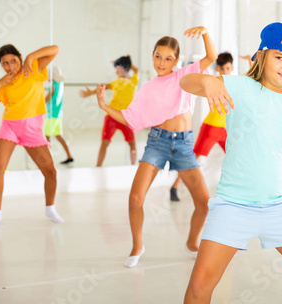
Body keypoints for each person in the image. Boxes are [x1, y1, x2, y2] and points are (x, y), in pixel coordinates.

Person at [181, 22, 282, 304]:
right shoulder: (241, 86)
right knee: (200, 283)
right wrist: (208, 81)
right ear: (262, 56)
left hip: (281, 205)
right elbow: (185, 82)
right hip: (233, 206)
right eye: (280, 57)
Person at [94, 26, 217, 268]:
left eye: (168, 58)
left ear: (176, 61)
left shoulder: (184, 76)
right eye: (158, 56)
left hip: (183, 144)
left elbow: (211, 57)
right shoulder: (148, 88)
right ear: (152, 56)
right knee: (135, 198)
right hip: (158, 142)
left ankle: (192, 242)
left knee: (204, 202)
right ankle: (137, 246)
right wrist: (104, 106)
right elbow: (130, 117)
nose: (162, 62)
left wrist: (204, 33)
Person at [0, 44, 64, 228]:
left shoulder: (33, 68)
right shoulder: (4, 83)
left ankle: (50, 208)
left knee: (50, 172)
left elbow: (55, 49)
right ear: (1, 66)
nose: (10, 66)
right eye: (5, 63)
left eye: (13, 60)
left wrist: (30, 57)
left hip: (32, 129)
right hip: (9, 127)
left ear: (19, 58)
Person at [170, 52, 233, 202]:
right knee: (195, 158)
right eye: (223, 69)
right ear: (218, 69)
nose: (226, 72)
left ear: (232, 68)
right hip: (210, 128)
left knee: (234, 155)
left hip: (224, 130)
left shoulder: (235, 83)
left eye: (229, 68)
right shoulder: (214, 83)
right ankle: (175, 186)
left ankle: (235, 189)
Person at [80, 56, 139, 167]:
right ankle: (98, 166)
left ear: (122, 68)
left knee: (132, 143)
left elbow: (136, 70)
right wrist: (91, 92)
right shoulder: (117, 82)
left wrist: (125, 60)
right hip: (112, 116)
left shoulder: (133, 80)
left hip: (126, 118)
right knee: (105, 143)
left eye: (117, 68)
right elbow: (103, 87)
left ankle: (133, 166)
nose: (116, 71)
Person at [44, 66, 74, 164]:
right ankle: (69, 156)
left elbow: (47, 99)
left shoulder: (52, 86)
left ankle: (48, 159)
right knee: (58, 136)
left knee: (46, 137)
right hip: (57, 114)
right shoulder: (59, 84)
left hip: (51, 115)